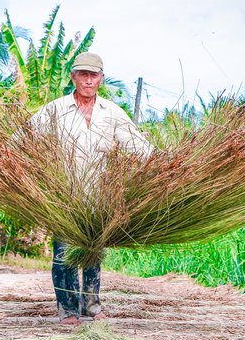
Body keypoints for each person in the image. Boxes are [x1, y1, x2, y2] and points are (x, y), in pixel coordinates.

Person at [29, 52, 153, 324]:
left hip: (99, 195)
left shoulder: (112, 113)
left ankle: (92, 306)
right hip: (64, 196)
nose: (87, 80)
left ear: (101, 78)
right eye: (82, 74)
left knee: (93, 252)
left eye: (93, 75)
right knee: (64, 254)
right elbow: (24, 138)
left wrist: (166, 165)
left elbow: (139, 147)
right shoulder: (54, 110)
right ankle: (68, 310)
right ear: (73, 77)